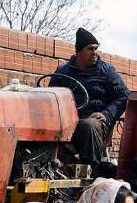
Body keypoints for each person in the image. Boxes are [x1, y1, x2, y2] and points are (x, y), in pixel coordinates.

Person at [49, 27, 130, 171]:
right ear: (79, 51)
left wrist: (106, 114)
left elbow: (124, 96)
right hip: (67, 121)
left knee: (89, 125)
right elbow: (51, 95)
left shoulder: (106, 71)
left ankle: (93, 171)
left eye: (96, 48)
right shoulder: (63, 72)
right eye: (90, 49)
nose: (95, 52)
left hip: (94, 121)